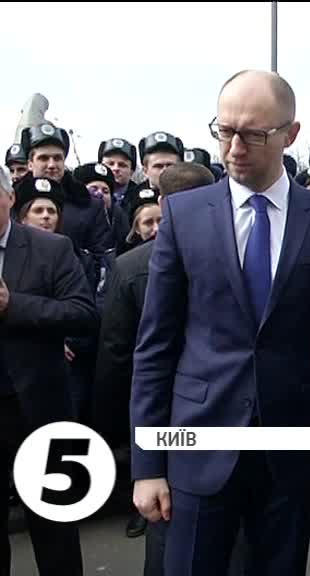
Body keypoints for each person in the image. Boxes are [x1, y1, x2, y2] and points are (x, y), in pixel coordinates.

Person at [131, 70, 310, 576]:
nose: (234, 148)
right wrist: (147, 463)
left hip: (291, 453)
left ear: (290, 134)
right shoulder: (185, 216)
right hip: (197, 445)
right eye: (225, 131)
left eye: (253, 134)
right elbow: (154, 347)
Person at [93, 162, 215, 558]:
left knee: (170, 530)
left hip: (160, 413)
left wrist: (115, 425)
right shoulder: (241, 253)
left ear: (163, 203)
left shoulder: (130, 265)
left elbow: (116, 354)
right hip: (223, 413)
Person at [0, 167, 98, 576]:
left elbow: (83, 313)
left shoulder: (52, 248)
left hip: (40, 406)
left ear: (9, 198)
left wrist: (13, 305)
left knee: (55, 527)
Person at [21, 123, 113, 254]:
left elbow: (102, 256)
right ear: (30, 164)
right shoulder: (12, 201)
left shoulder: (90, 206)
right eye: (43, 158)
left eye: (57, 158)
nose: (52, 165)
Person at [74, 162, 130, 252]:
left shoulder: (120, 221)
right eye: (93, 189)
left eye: (105, 191)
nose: (100, 194)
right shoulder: (69, 219)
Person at [98, 138, 139, 208]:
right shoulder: (89, 195)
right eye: (110, 164)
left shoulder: (140, 198)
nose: (115, 168)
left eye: (122, 165)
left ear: (131, 171)